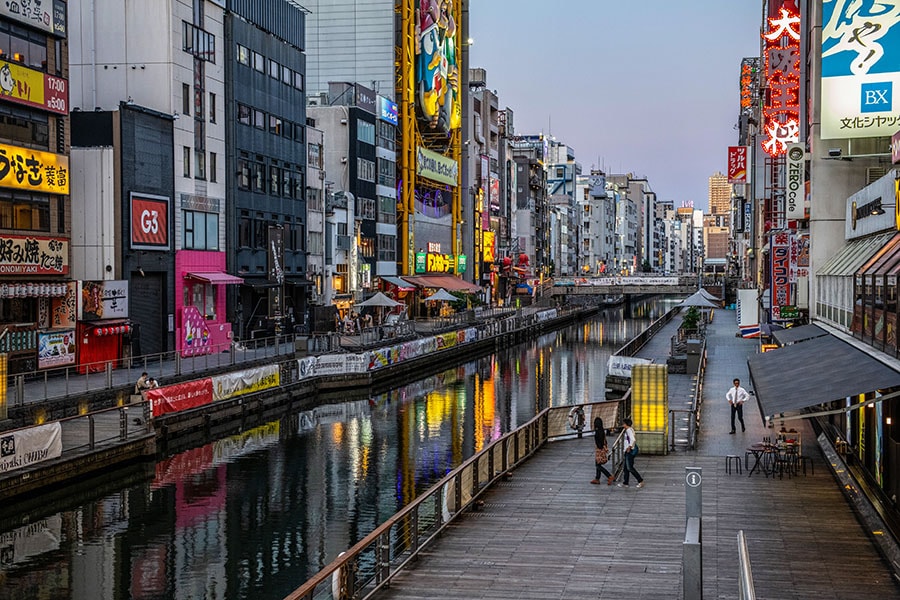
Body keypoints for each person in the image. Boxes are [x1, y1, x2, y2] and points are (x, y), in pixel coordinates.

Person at [618, 417, 644, 488]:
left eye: (623, 424)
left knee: (629, 468)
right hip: (628, 450)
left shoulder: (629, 430)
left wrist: (629, 447)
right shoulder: (630, 430)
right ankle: (625, 482)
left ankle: (640, 480)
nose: (623, 425)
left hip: (629, 451)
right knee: (626, 468)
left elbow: (633, 439)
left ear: (626, 424)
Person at [591, 417, 614, 486]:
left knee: (598, 465)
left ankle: (609, 476)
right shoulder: (602, 430)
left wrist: (598, 447)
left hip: (599, 450)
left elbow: (599, 442)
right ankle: (597, 478)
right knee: (598, 464)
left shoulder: (597, 432)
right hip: (602, 449)